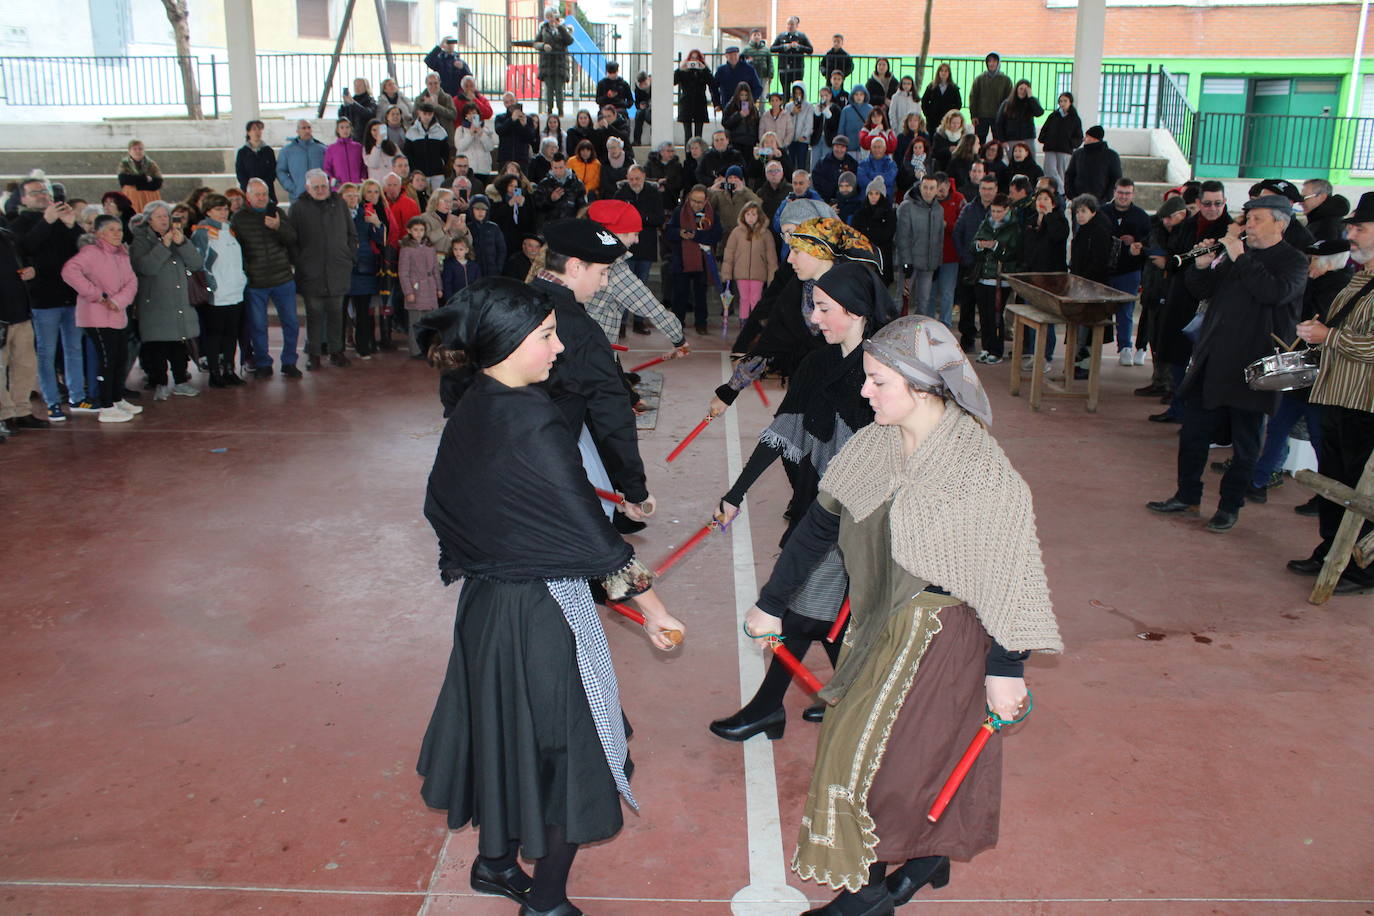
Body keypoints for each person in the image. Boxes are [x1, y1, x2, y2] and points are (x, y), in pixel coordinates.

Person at [744, 313, 1061, 913]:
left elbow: (1012, 575)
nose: (864, 392)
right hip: (882, 625)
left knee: (873, 757)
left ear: (924, 386)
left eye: (877, 381)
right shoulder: (873, 447)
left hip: (945, 635)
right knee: (899, 752)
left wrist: (1008, 668)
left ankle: (867, 894)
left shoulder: (980, 472)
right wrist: (770, 603)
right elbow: (816, 529)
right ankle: (926, 859)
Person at [414, 278, 683, 915]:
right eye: (546, 336)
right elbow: (593, 536)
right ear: (507, 344)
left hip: (485, 609)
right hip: (538, 615)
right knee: (575, 751)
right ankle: (547, 899)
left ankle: (495, 864)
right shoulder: (534, 420)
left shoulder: (476, 400)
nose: (559, 348)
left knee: (505, 736)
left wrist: (507, 545)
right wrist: (655, 611)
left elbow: (442, 502)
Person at [709, 260, 885, 741]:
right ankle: (851, 698)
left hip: (863, 515)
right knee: (821, 610)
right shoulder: (817, 363)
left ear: (855, 310)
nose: (814, 318)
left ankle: (772, 707)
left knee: (806, 609)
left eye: (823, 309)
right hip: (822, 506)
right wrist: (736, 493)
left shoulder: (885, 375)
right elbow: (781, 433)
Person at [1146, 196, 1307, 533]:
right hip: (1213, 360)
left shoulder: (1292, 261)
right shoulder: (1236, 256)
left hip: (1253, 369)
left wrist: (1239, 257)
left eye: (1258, 219)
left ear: (1281, 223)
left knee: (1246, 444)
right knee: (1193, 434)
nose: (1249, 225)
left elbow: (1273, 293)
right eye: (1248, 218)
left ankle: (1229, 507)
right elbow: (1202, 289)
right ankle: (1187, 495)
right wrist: (1203, 264)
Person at [1290, 193, 1374, 594]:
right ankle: (1330, 549)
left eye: (1360, 228)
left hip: (1365, 402)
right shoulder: (1361, 275)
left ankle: (1360, 567)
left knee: (1359, 488)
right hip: (1336, 395)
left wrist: (1330, 336)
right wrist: (1319, 333)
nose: (1350, 233)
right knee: (1332, 482)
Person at [10, 179, 90, 420]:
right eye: (35, 193)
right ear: (23, 199)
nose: (42, 196)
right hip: (43, 299)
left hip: (70, 295)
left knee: (74, 348)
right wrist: (47, 221)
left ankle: (78, 397)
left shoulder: (61, 220)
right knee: (46, 352)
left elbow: (84, 249)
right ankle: (52, 401)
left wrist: (72, 226)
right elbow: (25, 248)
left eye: (44, 191)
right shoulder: (19, 223)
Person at [62, 215, 140, 422]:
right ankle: (106, 406)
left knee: (120, 358)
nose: (117, 234)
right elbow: (70, 272)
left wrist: (118, 301)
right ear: (99, 233)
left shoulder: (122, 254)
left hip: (117, 314)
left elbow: (132, 281)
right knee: (107, 361)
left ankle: (116, 398)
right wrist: (96, 294)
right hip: (96, 316)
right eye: (111, 230)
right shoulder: (91, 253)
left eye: (120, 230)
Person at [584, 198, 686, 348]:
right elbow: (649, 305)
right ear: (618, 233)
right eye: (635, 234)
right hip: (594, 349)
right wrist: (679, 339)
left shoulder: (580, 253)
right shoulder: (613, 268)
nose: (637, 240)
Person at [130, 201, 205, 400]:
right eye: (159, 217)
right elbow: (146, 268)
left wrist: (182, 243)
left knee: (179, 345)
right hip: (154, 303)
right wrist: (164, 246)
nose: (164, 220)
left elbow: (197, 263)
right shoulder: (140, 241)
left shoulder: (178, 235)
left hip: (179, 301)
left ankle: (181, 381)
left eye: (166, 216)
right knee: (157, 346)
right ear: (149, 220)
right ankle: (160, 383)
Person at [233, 179, 302, 379]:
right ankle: (263, 362)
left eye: (264, 194)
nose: (262, 198)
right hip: (256, 282)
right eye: (257, 194)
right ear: (248, 197)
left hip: (282, 278)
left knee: (291, 322)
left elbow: (292, 239)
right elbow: (238, 249)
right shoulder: (239, 218)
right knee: (258, 325)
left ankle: (289, 361)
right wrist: (247, 271)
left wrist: (279, 227)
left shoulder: (277, 213)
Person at [288, 170, 357, 369]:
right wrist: (301, 262)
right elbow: (292, 240)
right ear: (308, 188)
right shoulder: (298, 208)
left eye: (323, 186)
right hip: (311, 273)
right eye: (316, 187)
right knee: (314, 315)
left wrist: (349, 257)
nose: (320, 190)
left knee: (337, 314)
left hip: (338, 270)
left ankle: (337, 351)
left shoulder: (340, 204)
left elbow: (352, 235)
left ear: (329, 186)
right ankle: (314, 354)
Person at [189, 193, 247, 387]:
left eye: (225, 208)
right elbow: (198, 264)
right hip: (217, 294)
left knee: (231, 333)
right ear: (208, 211)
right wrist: (211, 285)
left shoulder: (229, 229)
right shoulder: (202, 232)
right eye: (218, 209)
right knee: (215, 335)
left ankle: (229, 369)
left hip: (235, 291)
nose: (223, 213)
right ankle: (215, 373)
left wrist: (241, 279)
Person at [1101, 178, 1152, 365]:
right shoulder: (1102, 212)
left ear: (1133, 194)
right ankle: (1092, 348)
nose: (1123, 196)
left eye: (1127, 193)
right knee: (1099, 311)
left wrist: (1136, 243)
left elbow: (1149, 242)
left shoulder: (1141, 216)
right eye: (1120, 192)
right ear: (1114, 192)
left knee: (1126, 311)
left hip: (1129, 271)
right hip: (1105, 272)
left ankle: (1125, 347)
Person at [1019, 187, 1071, 368]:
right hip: (1032, 276)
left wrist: (1047, 218)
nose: (1042, 201)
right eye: (1039, 198)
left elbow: (1058, 237)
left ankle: (1046, 356)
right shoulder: (1031, 221)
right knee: (1033, 317)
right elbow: (1027, 246)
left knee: (1047, 318)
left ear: (1053, 203)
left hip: (1051, 277)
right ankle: (1034, 352)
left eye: (1046, 199)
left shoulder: (1060, 221)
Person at [0, 224, 42, 434]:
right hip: (2, 316)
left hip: (21, 311)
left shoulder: (8, 235)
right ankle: (4, 415)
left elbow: (27, 258)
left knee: (26, 365)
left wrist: (31, 269)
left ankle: (21, 410)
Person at [971, 192, 1020, 365]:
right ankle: (986, 347)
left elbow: (1012, 252)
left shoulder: (1013, 227)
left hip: (1000, 278)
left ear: (1007, 210)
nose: (995, 214)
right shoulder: (987, 223)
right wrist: (980, 245)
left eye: (999, 211)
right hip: (983, 276)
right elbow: (974, 243)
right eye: (993, 211)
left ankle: (997, 350)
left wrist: (996, 246)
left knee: (996, 316)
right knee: (984, 315)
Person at [668, 184, 723, 334]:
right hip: (682, 260)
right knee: (679, 294)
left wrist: (696, 235)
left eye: (699, 202)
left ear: (706, 202)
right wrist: (679, 233)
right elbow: (669, 231)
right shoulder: (679, 212)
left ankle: (701, 323)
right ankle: (678, 324)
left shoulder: (712, 215)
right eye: (693, 201)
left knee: (701, 294)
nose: (695, 205)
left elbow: (716, 235)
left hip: (703, 260)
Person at [340, 182, 386, 358]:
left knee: (363, 313)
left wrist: (377, 223)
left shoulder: (365, 214)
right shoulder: (336, 216)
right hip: (343, 270)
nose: (352, 198)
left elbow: (381, 239)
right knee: (340, 313)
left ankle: (363, 347)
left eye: (354, 195)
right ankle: (338, 350)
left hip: (364, 269)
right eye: (348, 195)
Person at [953, 175, 997, 350]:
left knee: (988, 309)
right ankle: (967, 338)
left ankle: (989, 343)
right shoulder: (969, 209)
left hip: (991, 268)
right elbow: (957, 233)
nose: (986, 192)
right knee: (968, 305)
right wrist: (965, 256)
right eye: (984, 188)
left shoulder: (1001, 210)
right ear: (979, 189)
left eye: (990, 189)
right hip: (970, 266)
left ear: (996, 190)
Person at [896, 174, 945, 318]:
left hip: (929, 264)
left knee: (924, 302)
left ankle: (917, 334)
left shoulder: (938, 210)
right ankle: (895, 331)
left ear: (937, 190)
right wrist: (905, 262)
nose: (928, 191)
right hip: (910, 262)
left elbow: (939, 239)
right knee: (901, 300)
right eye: (925, 187)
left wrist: (938, 263)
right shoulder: (907, 207)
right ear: (920, 187)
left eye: (932, 188)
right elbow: (902, 236)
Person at [722, 200, 778, 321]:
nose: (751, 218)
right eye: (748, 214)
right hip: (741, 273)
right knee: (744, 298)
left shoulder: (766, 234)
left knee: (755, 299)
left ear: (759, 216)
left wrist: (772, 277)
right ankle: (743, 321)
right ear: (743, 216)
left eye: (754, 214)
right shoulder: (736, 233)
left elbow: (771, 257)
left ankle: (754, 322)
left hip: (758, 273)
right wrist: (727, 273)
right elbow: (729, 253)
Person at [399, 216, 441, 353]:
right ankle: (416, 349)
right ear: (409, 231)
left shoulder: (430, 248)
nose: (419, 233)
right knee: (416, 321)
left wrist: (439, 287)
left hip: (430, 286)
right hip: (416, 287)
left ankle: (429, 347)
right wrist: (408, 292)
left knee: (431, 320)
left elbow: (435, 269)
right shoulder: (406, 249)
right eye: (415, 230)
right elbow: (403, 272)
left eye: (421, 230)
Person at [854, 177, 896, 285]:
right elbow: (855, 234)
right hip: (864, 257)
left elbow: (887, 235)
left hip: (882, 259)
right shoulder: (860, 213)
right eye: (870, 193)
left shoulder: (889, 214)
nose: (873, 197)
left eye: (876, 193)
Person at [1038, 92, 1082, 194]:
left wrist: (1071, 142)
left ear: (1070, 102)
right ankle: (1059, 191)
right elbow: (1045, 129)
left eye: (1065, 101)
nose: (1062, 103)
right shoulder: (1053, 116)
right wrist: (1045, 138)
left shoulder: (1074, 118)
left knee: (1062, 172)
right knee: (1050, 170)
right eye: (1061, 101)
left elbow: (1078, 135)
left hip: (1064, 150)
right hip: (1050, 148)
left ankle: (1061, 193)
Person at [1064, 126, 1122, 201]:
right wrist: (1072, 195)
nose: (1084, 139)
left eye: (1087, 136)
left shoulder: (1111, 155)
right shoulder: (1078, 154)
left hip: (1100, 202)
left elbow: (1116, 178)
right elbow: (1069, 175)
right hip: (1078, 201)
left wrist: (1106, 198)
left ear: (1094, 138)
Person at [534, 7, 574, 116]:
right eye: (550, 16)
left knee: (559, 88)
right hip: (547, 64)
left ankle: (561, 110)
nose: (552, 19)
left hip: (560, 63)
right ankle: (549, 110)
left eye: (554, 16)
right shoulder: (543, 28)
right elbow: (535, 43)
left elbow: (569, 41)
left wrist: (560, 28)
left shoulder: (564, 28)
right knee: (549, 89)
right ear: (547, 18)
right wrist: (543, 46)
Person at [405, 104, 451, 193]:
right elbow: (408, 152)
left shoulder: (441, 131)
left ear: (433, 114)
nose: (427, 117)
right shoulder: (411, 131)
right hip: (419, 173)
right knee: (420, 197)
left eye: (429, 114)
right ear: (419, 113)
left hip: (437, 172)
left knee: (438, 196)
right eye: (424, 114)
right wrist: (414, 168)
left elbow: (446, 151)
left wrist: (441, 162)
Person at [969, 52, 1012, 144]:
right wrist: (973, 115)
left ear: (998, 63)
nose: (991, 63)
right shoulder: (979, 79)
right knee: (979, 141)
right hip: (981, 115)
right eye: (989, 61)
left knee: (997, 140)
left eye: (994, 61)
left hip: (998, 115)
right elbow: (973, 97)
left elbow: (1009, 99)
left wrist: (1006, 116)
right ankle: (979, 157)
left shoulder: (1006, 80)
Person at [675, 50, 716, 145]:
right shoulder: (683, 72)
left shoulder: (703, 72)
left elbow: (712, 83)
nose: (694, 61)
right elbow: (673, 81)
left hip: (699, 103)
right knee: (687, 135)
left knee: (698, 135)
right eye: (692, 58)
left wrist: (704, 69)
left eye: (696, 58)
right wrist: (680, 69)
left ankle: (698, 157)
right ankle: (688, 157)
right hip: (686, 103)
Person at [993, 80, 1043, 157]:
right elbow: (999, 123)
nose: (1023, 91)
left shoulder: (1032, 102)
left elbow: (1039, 113)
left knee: (1030, 162)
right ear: (1016, 89)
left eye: (1025, 89)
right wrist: (1002, 140)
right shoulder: (1007, 103)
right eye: (1021, 89)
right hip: (1011, 139)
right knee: (1013, 163)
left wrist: (1030, 98)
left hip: (1028, 138)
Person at [533, 154, 586, 226]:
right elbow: (537, 205)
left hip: (571, 225)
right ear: (551, 167)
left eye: (561, 167)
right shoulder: (544, 184)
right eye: (555, 168)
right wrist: (550, 199)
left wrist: (578, 218)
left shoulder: (577, 183)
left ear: (566, 165)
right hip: (551, 225)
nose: (558, 171)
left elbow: (582, 206)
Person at [453, 103, 497, 183]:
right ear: (465, 116)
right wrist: (470, 134)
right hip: (467, 169)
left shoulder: (486, 129)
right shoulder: (460, 130)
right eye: (469, 113)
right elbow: (460, 146)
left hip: (483, 168)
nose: (471, 116)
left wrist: (481, 134)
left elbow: (490, 147)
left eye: (474, 113)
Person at [236, 120, 278, 203]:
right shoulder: (242, 152)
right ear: (248, 132)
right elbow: (240, 173)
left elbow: (272, 171)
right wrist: (249, 188)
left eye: (259, 129)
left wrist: (263, 187)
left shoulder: (268, 151)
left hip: (267, 191)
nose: (257, 132)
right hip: (248, 191)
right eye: (254, 129)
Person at [117, 140, 164, 210]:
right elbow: (123, 180)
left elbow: (158, 182)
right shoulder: (125, 163)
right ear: (129, 151)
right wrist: (144, 179)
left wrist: (137, 184)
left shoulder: (151, 164)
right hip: (132, 197)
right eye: (135, 149)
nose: (138, 151)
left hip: (149, 197)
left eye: (140, 149)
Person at [812, 135, 858, 204]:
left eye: (842, 147)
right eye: (837, 147)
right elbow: (816, 178)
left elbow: (856, 180)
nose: (839, 150)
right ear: (833, 147)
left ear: (846, 149)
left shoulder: (852, 162)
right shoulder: (823, 162)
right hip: (826, 199)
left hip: (847, 199)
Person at [494, 98, 538, 169]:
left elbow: (531, 137)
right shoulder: (500, 118)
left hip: (522, 158)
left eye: (512, 101)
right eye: (507, 102)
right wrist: (511, 119)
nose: (510, 104)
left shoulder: (528, 118)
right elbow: (499, 131)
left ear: (516, 102)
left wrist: (524, 125)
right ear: (504, 104)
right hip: (505, 158)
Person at [323, 118, 365, 189]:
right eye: (342, 127)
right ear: (337, 130)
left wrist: (362, 180)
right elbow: (327, 169)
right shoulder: (331, 148)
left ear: (351, 129)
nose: (345, 130)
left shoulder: (358, 147)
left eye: (347, 127)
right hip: (340, 188)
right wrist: (333, 182)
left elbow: (363, 166)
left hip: (357, 187)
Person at [771, 16, 813, 89]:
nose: (789, 26)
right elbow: (772, 49)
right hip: (784, 69)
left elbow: (810, 50)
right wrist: (783, 47)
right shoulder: (781, 36)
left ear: (796, 26)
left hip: (797, 69)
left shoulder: (802, 36)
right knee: (785, 91)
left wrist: (798, 47)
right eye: (788, 24)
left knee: (797, 90)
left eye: (792, 24)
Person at [920, 64, 962, 133]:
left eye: (946, 71)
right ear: (938, 73)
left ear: (949, 73)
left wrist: (952, 115)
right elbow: (924, 102)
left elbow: (958, 104)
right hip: (933, 120)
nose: (943, 73)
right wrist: (928, 114)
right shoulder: (931, 86)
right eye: (941, 71)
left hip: (948, 120)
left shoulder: (954, 88)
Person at [441, 233, 481, 301]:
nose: (457, 252)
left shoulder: (474, 266)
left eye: (461, 249)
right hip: (455, 299)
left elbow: (478, 283)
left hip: (471, 299)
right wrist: (450, 300)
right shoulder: (449, 265)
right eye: (455, 249)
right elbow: (447, 284)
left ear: (467, 250)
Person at [836, 87, 872, 153]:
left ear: (865, 95)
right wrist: (841, 144)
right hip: (849, 145)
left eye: (861, 94)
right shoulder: (846, 110)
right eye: (856, 94)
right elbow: (841, 128)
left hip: (866, 146)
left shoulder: (870, 109)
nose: (859, 97)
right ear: (852, 96)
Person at [632, 72, 652, 146]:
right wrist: (640, 106)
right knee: (639, 114)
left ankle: (654, 139)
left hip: (653, 110)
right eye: (641, 85)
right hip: (644, 110)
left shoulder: (655, 84)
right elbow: (637, 103)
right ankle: (636, 140)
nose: (643, 86)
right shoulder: (638, 89)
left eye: (645, 84)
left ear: (649, 79)